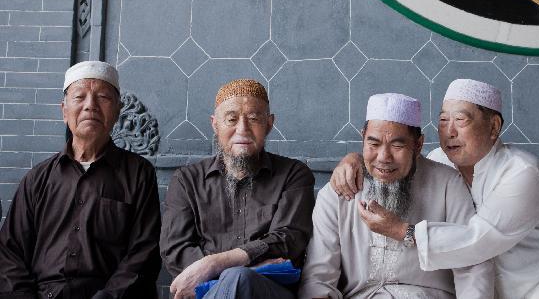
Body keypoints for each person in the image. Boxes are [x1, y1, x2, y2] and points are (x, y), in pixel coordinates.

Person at [332, 79, 539, 299]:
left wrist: (400, 230)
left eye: (461, 119)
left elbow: (480, 239)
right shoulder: (440, 161)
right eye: (443, 120)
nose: (449, 131)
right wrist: (354, 159)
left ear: (493, 126)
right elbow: (392, 158)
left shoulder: (521, 170)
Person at [300, 93, 492, 298]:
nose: (383, 158)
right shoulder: (338, 192)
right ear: (362, 137)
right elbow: (318, 278)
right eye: (373, 144)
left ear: (418, 145)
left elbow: (472, 266)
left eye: (397, 146)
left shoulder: (448, 184)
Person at [0, 60, 162, 298]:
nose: (90, 106)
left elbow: (143, 254)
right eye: (79, 97)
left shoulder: (139, 174)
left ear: (117, 111)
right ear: (64, 110)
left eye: (103, 98)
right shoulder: (38, 179)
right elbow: (9, 254)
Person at [161, 79, 315, 299]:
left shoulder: (294, 175)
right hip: (205, 292)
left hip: (270, 291)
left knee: (240, 279)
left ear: (269, 124)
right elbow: (175, 249)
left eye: (253, 119)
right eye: (231, 119)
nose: (242, 129)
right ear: (215, 124)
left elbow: (288, 240)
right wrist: (238, 269)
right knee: (237, 277)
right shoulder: (187, 181)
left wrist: (216, 263)